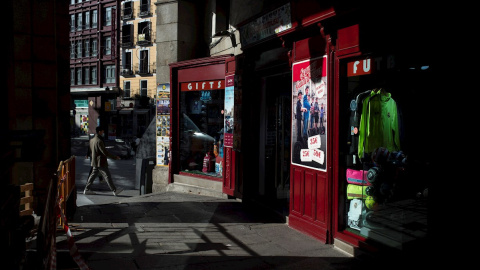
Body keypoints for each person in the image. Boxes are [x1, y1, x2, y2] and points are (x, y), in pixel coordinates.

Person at [84, 126, 123, 196]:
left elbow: (90, 150)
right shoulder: (99, 141)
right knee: (107, 176)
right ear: (99, 132)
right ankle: (114, 190)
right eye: (102, 131)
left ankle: (86, 189)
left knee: (92, 176)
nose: (103, 132)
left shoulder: (92, 140)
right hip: (100, 161)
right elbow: (104, 152)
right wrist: (114, 157)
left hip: (95, 161)